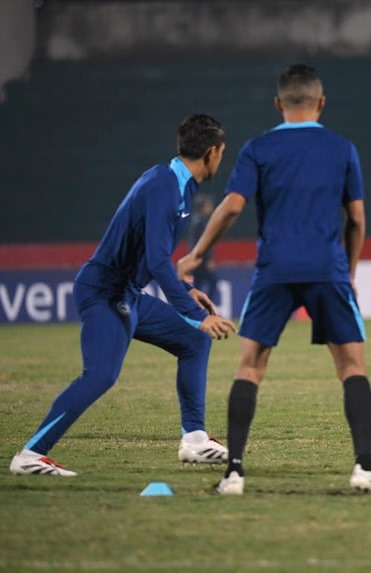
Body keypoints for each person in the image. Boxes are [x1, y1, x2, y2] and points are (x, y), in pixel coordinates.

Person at [178, 64, 371, 496]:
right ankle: (366, 468)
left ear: (277, 104)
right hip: (327, 269)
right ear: (321, 102)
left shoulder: (258, 148)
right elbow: (356, 219)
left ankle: (234, 473)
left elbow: (230, 207)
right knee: (352, 366)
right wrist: (350, 273)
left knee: (250, 366)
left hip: (275, 269)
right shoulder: (342, 148)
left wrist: (196, 253)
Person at [9, 115, 237, 477]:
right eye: (222, 152)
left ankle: (195, 440)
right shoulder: (165, 187)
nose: (222, 159)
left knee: (194, 342)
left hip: (126, 292)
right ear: (211, 152)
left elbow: (152, 255)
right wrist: (197, 314)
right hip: (105, 291)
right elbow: (160, 264)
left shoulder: (178, 184)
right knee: (100, 375)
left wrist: (188, 289)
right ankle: (30, 455)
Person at [186, 193, 218, 301]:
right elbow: (204, 242)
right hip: (202, 259)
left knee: (198, 284)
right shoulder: (202, 221)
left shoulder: (195, 220)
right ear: (203, 207)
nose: (210, 207)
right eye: (208, 205)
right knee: (212, 282)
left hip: (196, 258)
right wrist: (208, 259)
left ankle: (197, 308)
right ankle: (206, 306)